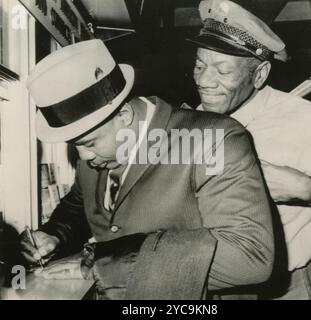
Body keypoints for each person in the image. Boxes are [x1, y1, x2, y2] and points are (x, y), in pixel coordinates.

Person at [20, 39, 274, 299]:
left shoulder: (213, 139)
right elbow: (79, 204)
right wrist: (54, 234)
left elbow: (250, 256)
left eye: (89, 143)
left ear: (125, 117)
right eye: (76, 146)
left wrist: (101, 263)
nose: (83, 157)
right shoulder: (98, 154)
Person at [186, 0, 311, 299]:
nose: (204, 81)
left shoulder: (308, 123)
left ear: (259, 75)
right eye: (199, 65)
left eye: (222, 70)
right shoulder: (192, 120)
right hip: (209, 286)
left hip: (284, 290)